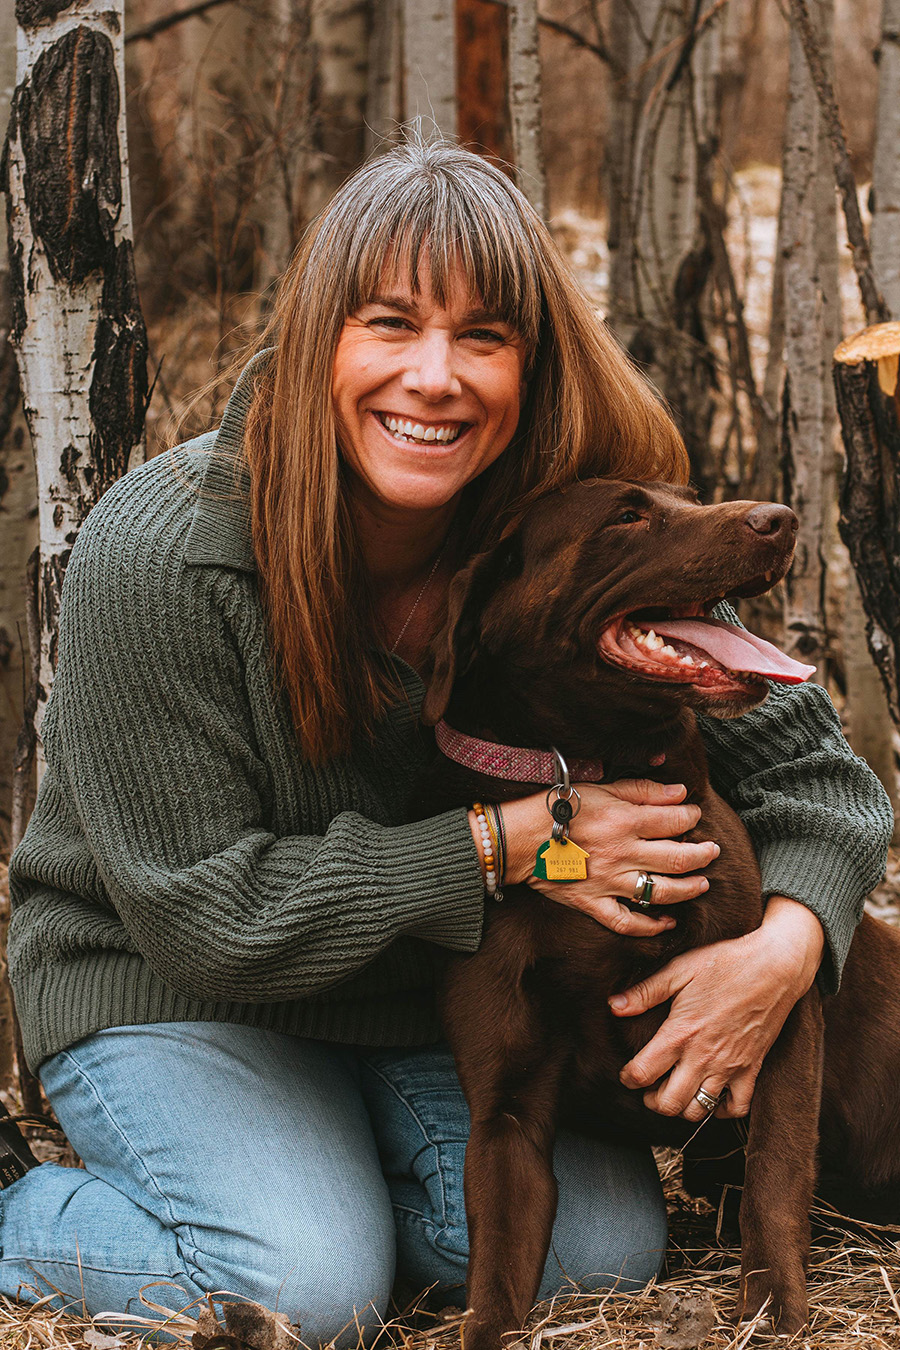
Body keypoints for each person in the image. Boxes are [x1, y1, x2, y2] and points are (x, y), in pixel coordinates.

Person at [4, 139, 892, 1344]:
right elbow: (206, 918)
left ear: (531, 360)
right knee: (312, 1288)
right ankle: (44, 1213)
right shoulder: (164, 554)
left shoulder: (570, 526)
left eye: (483, 336)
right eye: (390, 325)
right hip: (173, 992)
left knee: (607, 1252)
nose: (435, 378)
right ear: (322, 336)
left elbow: (815, 784)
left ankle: (312, 1182)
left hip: (410, 1005)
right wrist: (511, 843)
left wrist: (785, 951)